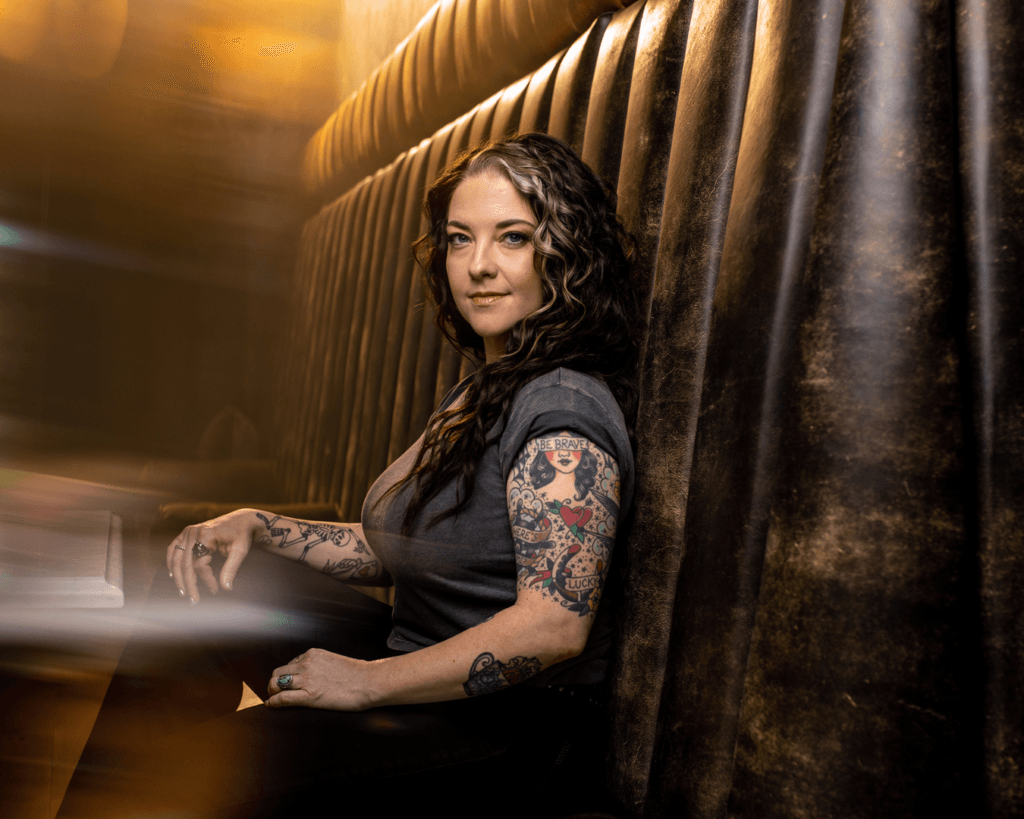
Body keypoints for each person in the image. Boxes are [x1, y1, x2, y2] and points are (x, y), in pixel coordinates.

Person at [60, 132, 640, 818]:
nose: (478, 266)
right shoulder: (491, 385)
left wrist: (364, 681)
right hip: (421, 663)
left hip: (509, 732)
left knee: (194, 775)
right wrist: (259, 525)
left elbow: (553, 626)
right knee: (205, 578)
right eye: (460, 239)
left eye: (511, 237)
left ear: (562, 252)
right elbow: (405, 545)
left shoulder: (562, 412)